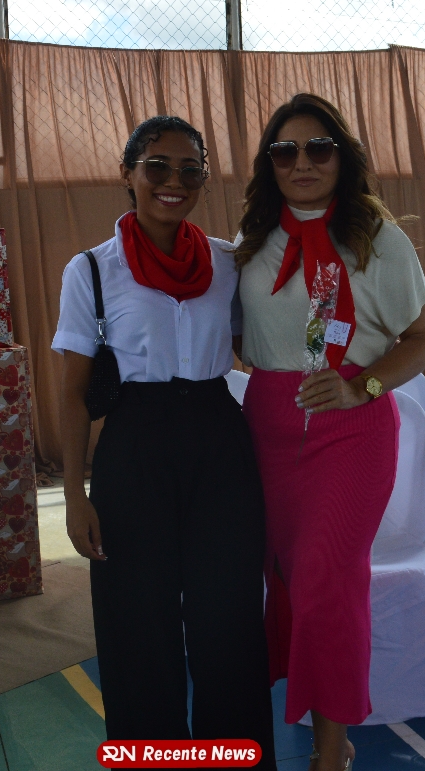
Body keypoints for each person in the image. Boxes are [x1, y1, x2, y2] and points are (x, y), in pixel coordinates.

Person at [53, 116, 277, 767]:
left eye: (190, 170)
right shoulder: (92, 270)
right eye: (157, 166)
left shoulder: (229, 263)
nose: (172, 181)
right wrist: (74, 496)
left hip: (219, 444)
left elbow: (263, 348)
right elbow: (73, 394)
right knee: (136, 628)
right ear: (128, 174)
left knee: (229, 623)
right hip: (135, 450)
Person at [235, 94, 425, 771]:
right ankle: (323, 728)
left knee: (327, 579)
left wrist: (363, 386)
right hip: (270, 428)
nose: (302, 162)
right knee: (290, 582)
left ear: (341, 157)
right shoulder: (253, 241)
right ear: (269, 164)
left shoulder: (378, 238)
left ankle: (330, 754)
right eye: (285, 151)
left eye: (318, 148)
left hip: (352, 430)